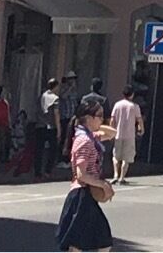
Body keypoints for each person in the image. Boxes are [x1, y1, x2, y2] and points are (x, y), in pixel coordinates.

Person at [55, 92, 115, 251]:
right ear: (88, 118)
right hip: (81, 195)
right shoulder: (85, 141)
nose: (102, 119)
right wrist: (103, 185)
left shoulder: (90, 137)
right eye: (99, 116)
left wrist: (98, 124)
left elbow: (112, 133)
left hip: (86, 194)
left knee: (102, 240)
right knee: (79, 243)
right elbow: (81, 175)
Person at [109, 88, 143, 186]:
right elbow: (139, 120)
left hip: (118, 134)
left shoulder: (117, 105)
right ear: (132, 94)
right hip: (129, 135)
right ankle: (122, 177)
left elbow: (112, 119)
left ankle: (115, 175)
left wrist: (111, 131)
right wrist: (141, 129)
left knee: (116, 156)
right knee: (126, 157)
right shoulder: (134, 106)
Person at [36, 78, 62, 178]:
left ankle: (37, 172)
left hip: (40, 125)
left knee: (39, 150)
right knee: (53, 150)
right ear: (55, 87)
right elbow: (56, 114)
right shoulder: (55, 98)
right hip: (51, 127)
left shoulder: (41, 97)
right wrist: (59, 129)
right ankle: (48, 170)